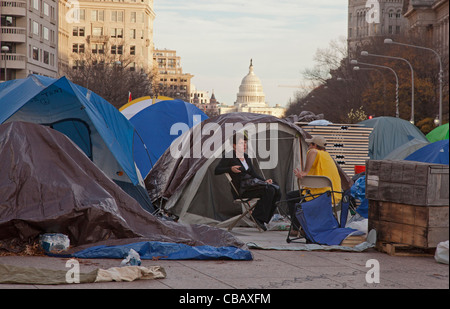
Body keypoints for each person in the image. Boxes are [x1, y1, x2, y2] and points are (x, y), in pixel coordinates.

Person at [214, 133, 280, 231]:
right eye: (241, 143)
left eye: (245, 143)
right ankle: (257, 217)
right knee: (269, 190)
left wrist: (264, 181)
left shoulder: (246, 157)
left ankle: (263, 219)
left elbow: (253, 174)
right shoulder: (229, 156)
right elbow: (217, 170)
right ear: (234, 145)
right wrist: (230, 168)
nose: (244, 145)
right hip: (241, 189)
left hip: (252, 185)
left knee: (276, 188)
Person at [286, 135, 342, 235]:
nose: (308, 146)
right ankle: (302, 227)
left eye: (310, 144)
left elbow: (313, 152)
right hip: (334, 195)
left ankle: (297, 229)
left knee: (291, 197)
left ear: (315, 145)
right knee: (297, 196)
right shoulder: (328, 157)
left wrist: (305, 172)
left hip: (319, 196)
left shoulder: (315, 152)